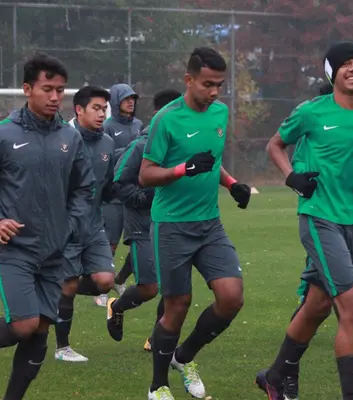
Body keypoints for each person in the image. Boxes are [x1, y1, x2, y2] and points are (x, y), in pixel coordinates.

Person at [0, 54, 94, 398]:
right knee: (24, 325)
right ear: (27, 89)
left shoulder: (70, 140)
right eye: (47, 89)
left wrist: (70, 225)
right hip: (12, 249)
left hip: (55, 251)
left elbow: (84, 189)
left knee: (40, 331)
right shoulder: (0, 135)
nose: (55, 97)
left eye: (60, 90)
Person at [256, 41, 353, 400]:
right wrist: (291, 177)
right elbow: (274, 145)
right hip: (321, 219)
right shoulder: (311, 112)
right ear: (332, 73)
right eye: (345, 64)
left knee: (333, 303)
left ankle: (273, 377)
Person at [139, 47, 252, 400]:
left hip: (210, 224)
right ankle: (158, 386)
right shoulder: (166, 120)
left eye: (219, 84)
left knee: (231, 298)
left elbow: (210, 161)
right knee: (178, 305)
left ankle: (184, 356)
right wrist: (180, 169)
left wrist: (233, 185)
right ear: (189, 80)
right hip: (172, 225)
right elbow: (145, 175)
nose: (214, 92)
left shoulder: (219, 113)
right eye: (207, 84)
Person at [108, 88, 183, 353]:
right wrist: (146, 198)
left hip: (172, 224)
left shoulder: (179, 144)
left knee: (174, 289)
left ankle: (156, 338)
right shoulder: (141, 145)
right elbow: (118, 183)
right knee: (150, 288)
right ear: (161, 114)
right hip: (142, 225)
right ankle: (116, 306)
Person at [53, 85, 117, 363]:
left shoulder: (108, 144)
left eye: (104, 108)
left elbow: (110, 186)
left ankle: (52, 286)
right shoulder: (61, 139)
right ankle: (62, 347)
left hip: (94, 227)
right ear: (79, 110)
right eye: (96, 108)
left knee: (105, 282)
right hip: (65, 227)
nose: (102, 113)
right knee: (67, 286)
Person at [98, 83, 143, 306]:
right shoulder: (107, 126)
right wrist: (128, 153)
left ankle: (120, 278)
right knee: (112, 243)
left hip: (135, 193)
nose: (131, 102)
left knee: (139, 241)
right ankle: (100, 289)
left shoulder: (139, 125)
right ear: (115, 101)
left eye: (133, 98)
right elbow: (104, 156)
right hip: (114, 194)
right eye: (126, 98)